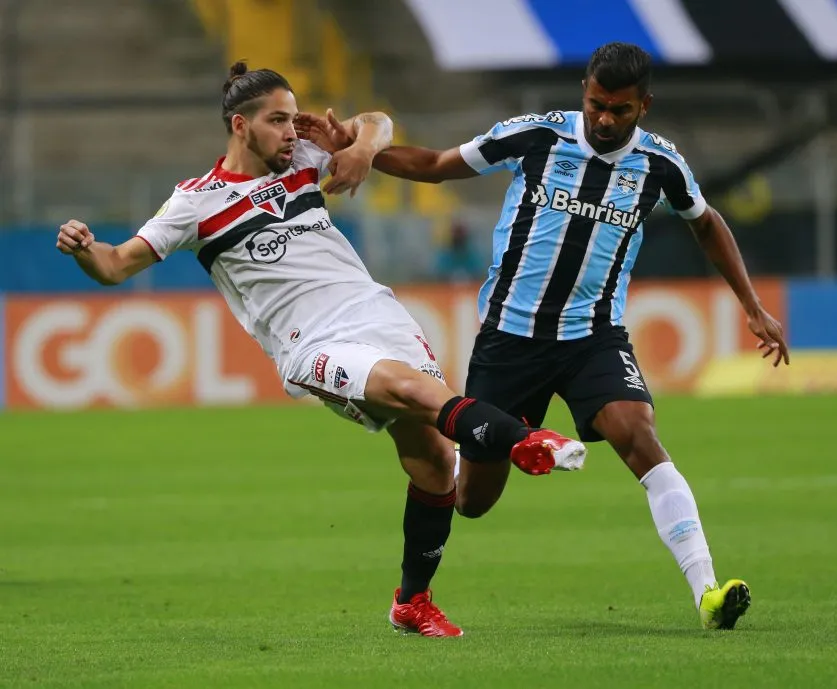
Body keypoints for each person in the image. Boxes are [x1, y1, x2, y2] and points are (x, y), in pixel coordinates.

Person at [55, 61, 586, 638]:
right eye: (277, 120)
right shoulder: (195, 203)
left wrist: (360, 149)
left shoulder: (307, 159)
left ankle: (412, 602)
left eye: (293, 117)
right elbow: (114, 264)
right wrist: (86, 249)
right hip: (313, 345)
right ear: (240, 125)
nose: (291, 130)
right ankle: (525, 438)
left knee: (434, 459)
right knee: (412, 390)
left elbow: (377, 120)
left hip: (378, 315)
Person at [298, 42, 790, 630]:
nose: (605, 119)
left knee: (639, 434)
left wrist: (752, 305)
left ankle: (707, 592)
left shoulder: (661, 165)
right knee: (472, 502)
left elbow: (705, 222)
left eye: (621, 110)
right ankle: (458, 456)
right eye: (597, 104)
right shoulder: (537, 135)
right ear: (584, 90)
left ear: (645, 106)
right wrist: (357, 153)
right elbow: (433, 165)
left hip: (593, 338)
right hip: (510, 341)